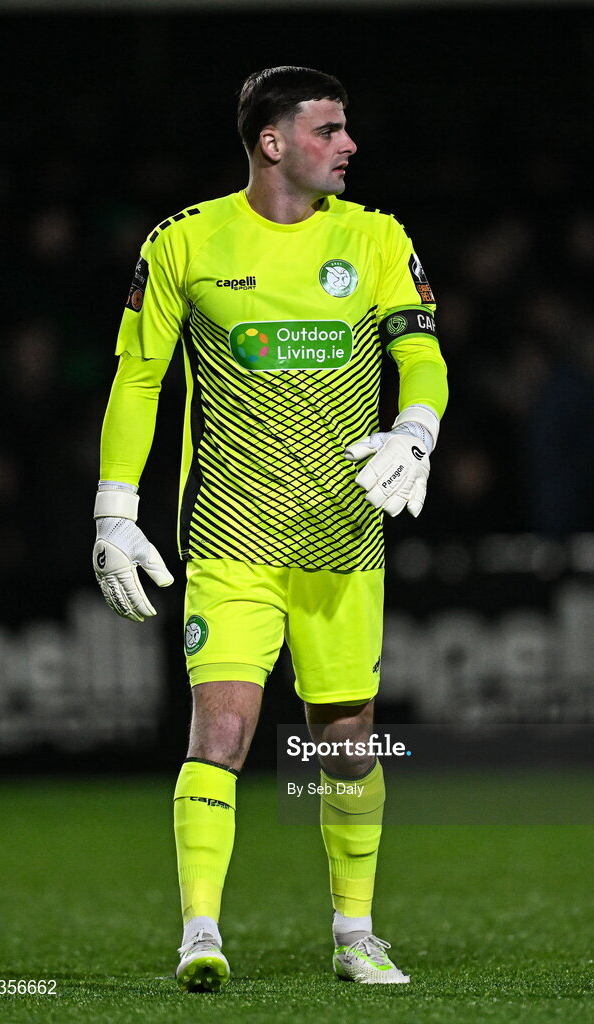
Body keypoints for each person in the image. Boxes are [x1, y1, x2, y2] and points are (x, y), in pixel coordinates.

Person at [92, 66, 448, 992]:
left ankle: (354, 934)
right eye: (330, 129)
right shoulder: (185, 242)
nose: (349, 144)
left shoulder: (374, 238)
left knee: (347, 740)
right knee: (221, 732)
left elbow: (420, 352)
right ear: (272, 142)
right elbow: (139, 379)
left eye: (346, 129)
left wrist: (416, 432)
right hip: (231, 539)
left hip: (341, 540)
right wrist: (114, 511)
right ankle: (199, 934)